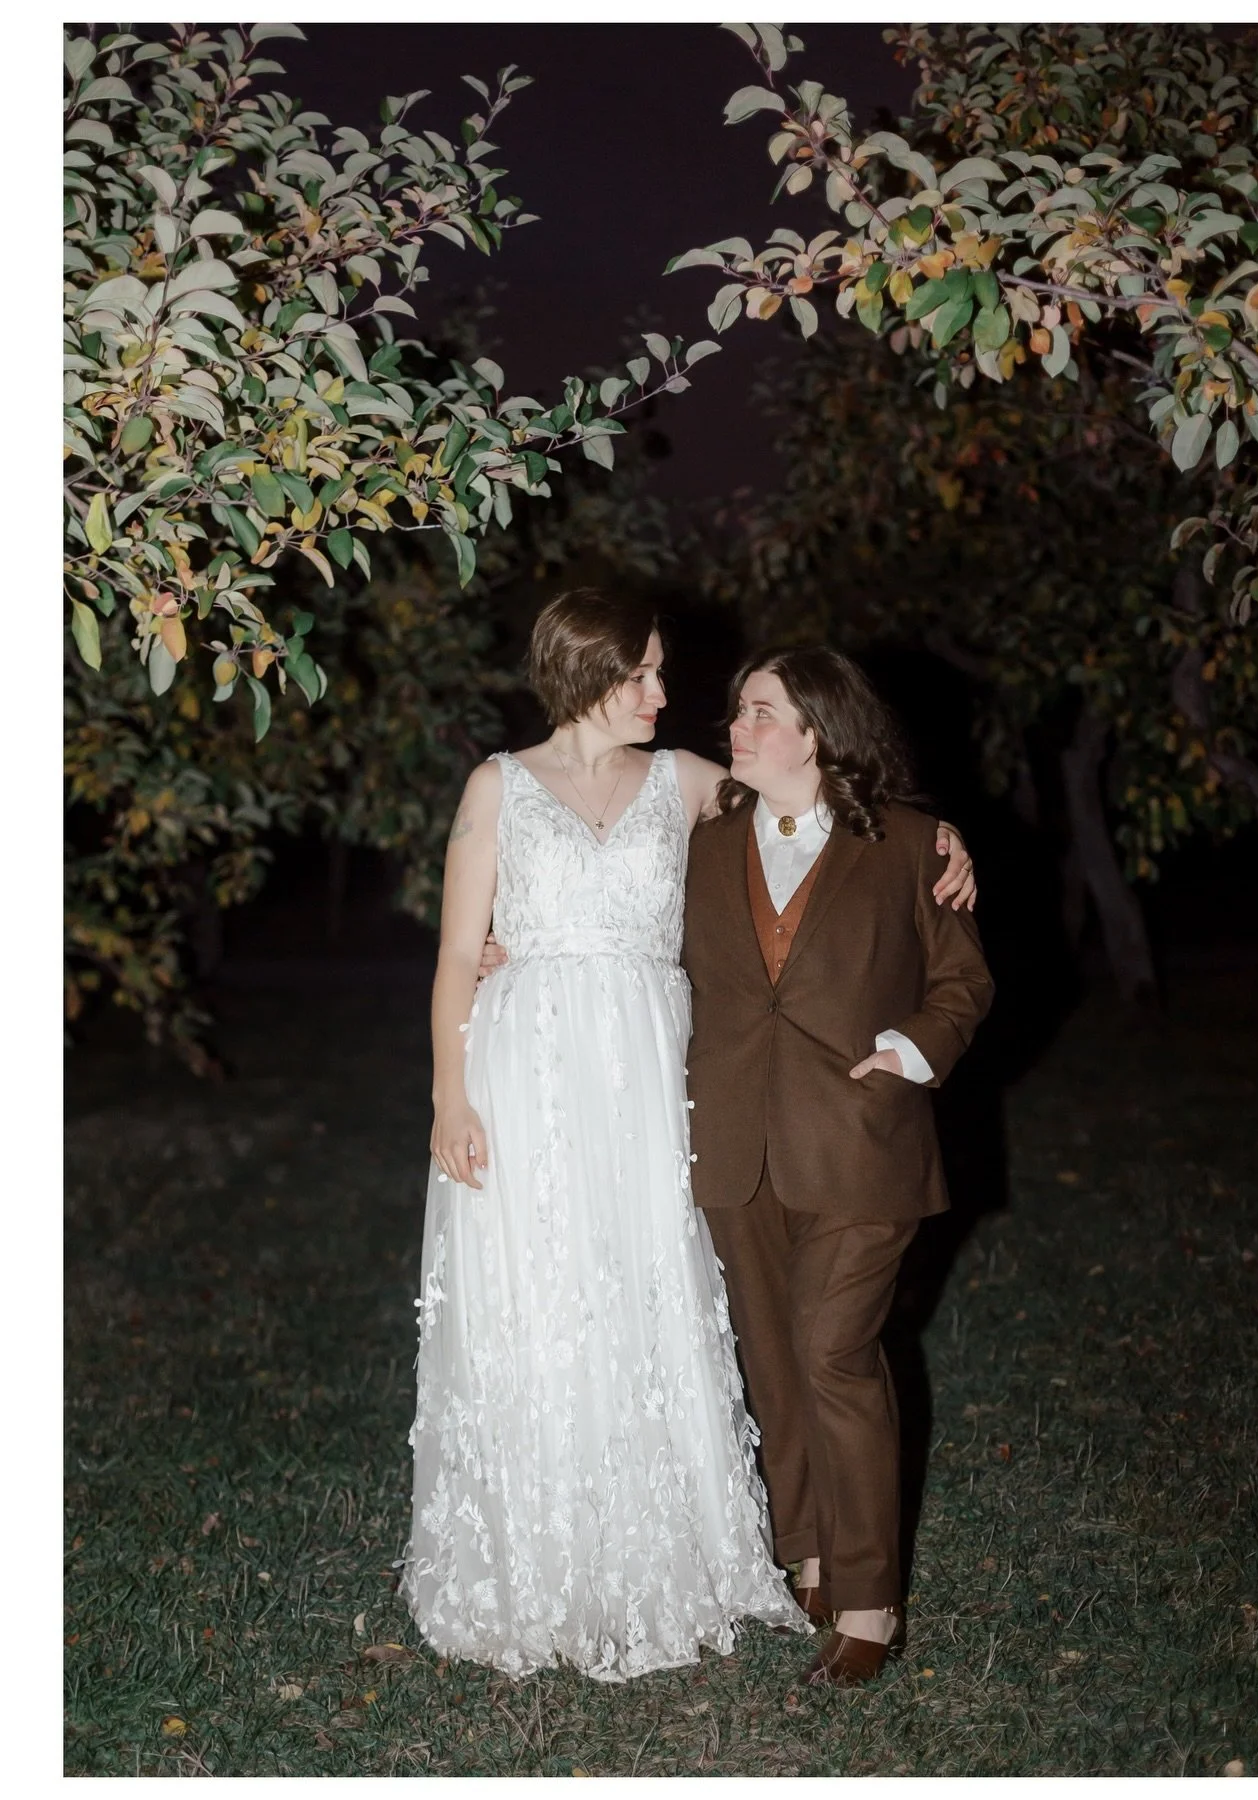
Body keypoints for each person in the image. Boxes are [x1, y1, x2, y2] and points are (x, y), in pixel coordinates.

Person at [423, 591, 980, 1683]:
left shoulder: (687, 783)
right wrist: (451, 1094)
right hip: (527, 1074)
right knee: (541, 1294)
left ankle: (704, 1547)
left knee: (652, 1301)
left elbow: (829, 810)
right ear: (590, 672)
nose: (665, 695)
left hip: (650, 1083)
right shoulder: (496, 788)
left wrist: (946, 840)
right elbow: (453, 955)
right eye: (644, 675)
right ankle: (541, 1548)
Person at [682, 646, 994, 1687]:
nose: (740, 724)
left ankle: (867, 1603)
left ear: (816, 732)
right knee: (773, 1361)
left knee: (833, 1353)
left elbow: (963, 985)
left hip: (862, 1143)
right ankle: (808, 1556)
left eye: (762, 711)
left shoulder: (909, 846)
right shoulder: (703, 842)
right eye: (738, 709)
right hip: (735, 1142)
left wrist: (907, 1055)